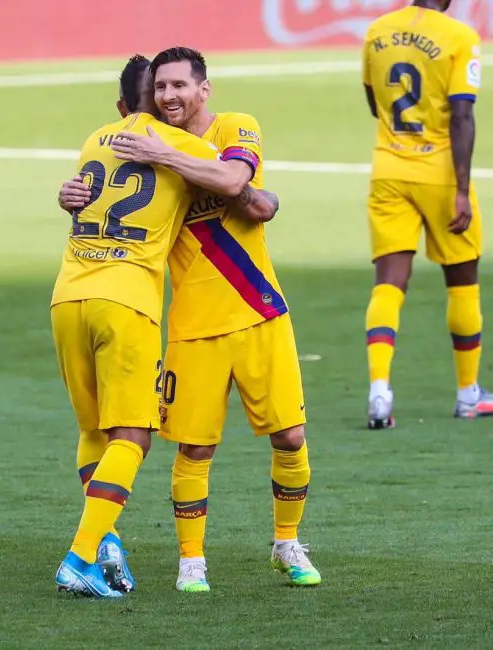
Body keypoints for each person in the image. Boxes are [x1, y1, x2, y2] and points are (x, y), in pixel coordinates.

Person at [110, 47, 321, 591]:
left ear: (204, 89)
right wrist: (73, 198)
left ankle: (287, 543)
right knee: (195, 448)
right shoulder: (148, 155)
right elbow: (113, 206)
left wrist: (174, 159)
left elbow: (232, 180)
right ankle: (191, 561)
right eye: (160, 87)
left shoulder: (235, 126)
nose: (169, 96)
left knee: (290, 436)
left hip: (260, 310)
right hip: (193, 325)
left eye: (179, 85)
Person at [53, 55, 219, 599]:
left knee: (92, 430)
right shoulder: (182, 146)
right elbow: (233, 180)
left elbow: (83, 198)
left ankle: (105, 542)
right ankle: (80, 557)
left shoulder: (94, 139)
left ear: (122, 104)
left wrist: (64, 196)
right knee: (132, 436)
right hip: (125, 302)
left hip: (67, 296)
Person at [362, 0, 492, 429]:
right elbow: (462, 115)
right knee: (462, 280)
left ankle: (379, 390)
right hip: (440, 173)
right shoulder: (460, 37)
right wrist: (461, 190)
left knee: (388, 283)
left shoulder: (377, 30)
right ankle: (468, 394)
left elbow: (374, 103)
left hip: (388, 169)